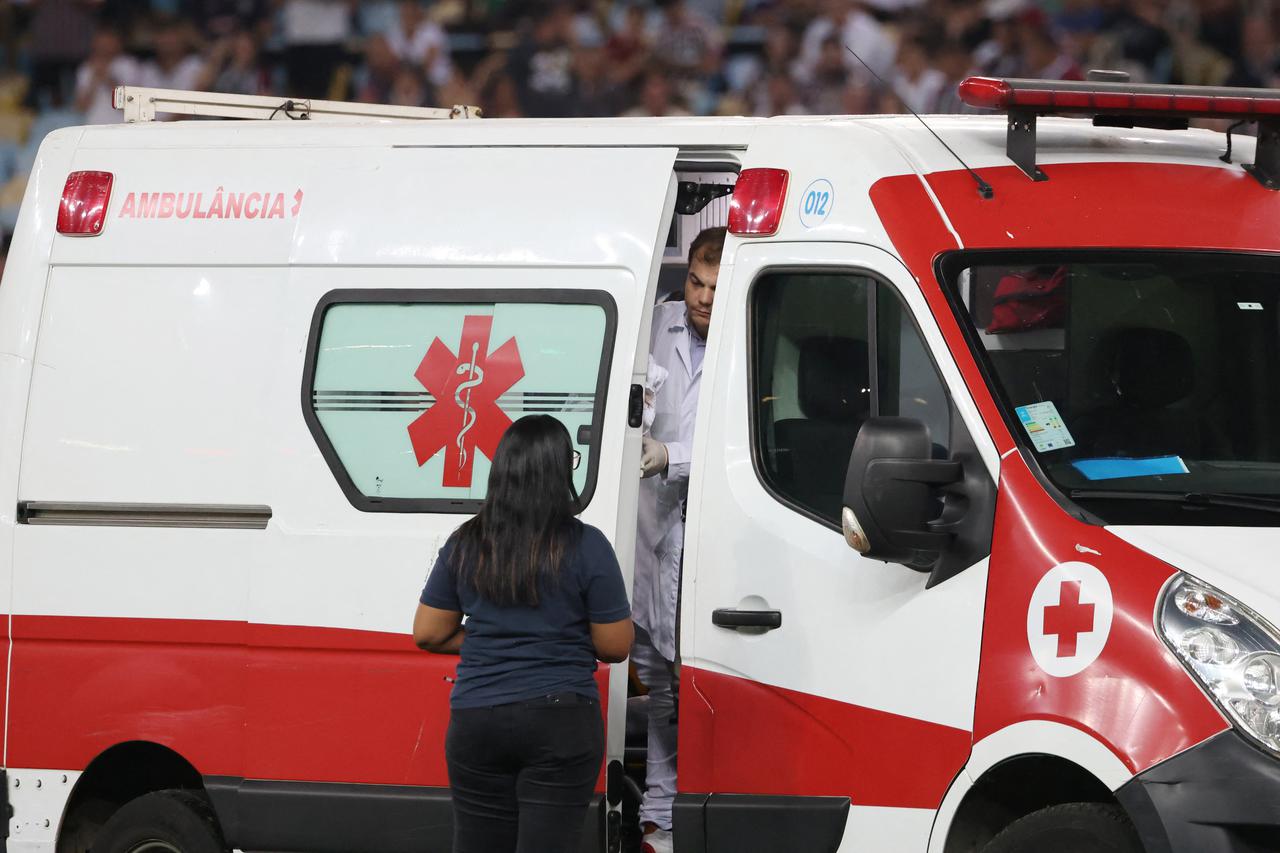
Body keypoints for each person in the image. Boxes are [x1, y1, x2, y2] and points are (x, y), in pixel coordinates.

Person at [414, 414, 633, 853]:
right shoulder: (588, 545)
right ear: (560, 471)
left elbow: (429, 634)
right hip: (560, 720)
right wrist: (555, 637)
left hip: (478, 720)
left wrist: (488, 638)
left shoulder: (465, 542)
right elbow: (615, 646)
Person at [632, 226, 725, 853]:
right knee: (654, 682)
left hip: (711, 533)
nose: (703, 298)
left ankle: (676, 813)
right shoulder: (656, 324)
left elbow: (729, 445)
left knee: (695, 683)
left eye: (716, 287)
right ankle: (657, 818)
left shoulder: (745, 332)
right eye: (696, 281)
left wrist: (672, 455)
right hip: (648, 532)